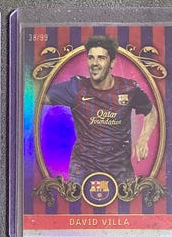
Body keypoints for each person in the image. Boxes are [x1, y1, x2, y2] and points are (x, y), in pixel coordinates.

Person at [44, 35, 157, 185]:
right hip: (83, 170)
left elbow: (150, 111)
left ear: (112, 62)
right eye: (91, 58)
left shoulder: (129, 88)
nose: (95, 63)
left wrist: (143, 138)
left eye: (101, 58)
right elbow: (39, 97)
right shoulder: (76, 87)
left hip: (120, 171)